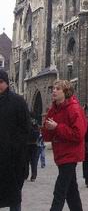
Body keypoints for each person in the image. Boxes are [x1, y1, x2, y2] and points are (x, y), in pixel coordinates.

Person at [42, 79, 87, 211]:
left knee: (60, 190)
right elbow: (47, 136)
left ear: (66, 92)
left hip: (70, 154)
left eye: (57, 89)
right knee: (71, 191)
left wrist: (57, 127)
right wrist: (48, 128)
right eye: (53, 89)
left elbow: (78, 134)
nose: (54, 91)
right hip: (61, 154)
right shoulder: (53, 109)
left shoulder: (74, 109)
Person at [0, 69, 30, 211]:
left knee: (14, 198)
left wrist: (16, 147)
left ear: (6, 83)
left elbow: (26, 129)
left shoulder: (18, 102)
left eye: (1, 82)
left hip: (13, 159)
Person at [25, 115, 39, 182]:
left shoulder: (26, 122)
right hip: (34, 144)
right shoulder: (35, 123)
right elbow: (38, 133)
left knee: (26, 161)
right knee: (33, 161)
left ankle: (26, 174)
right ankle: (33, 176)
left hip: (28, 144)